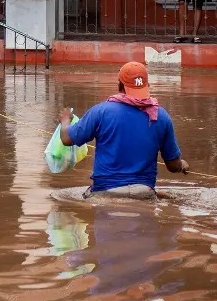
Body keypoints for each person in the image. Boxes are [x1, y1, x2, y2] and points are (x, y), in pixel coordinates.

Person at [57, 61, 189, 201]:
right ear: (147, 86)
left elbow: (66, 139)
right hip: (144, 193)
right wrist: (182, 165)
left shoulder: (101, 111)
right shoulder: (161, 116)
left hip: (106, 192)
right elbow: (173, 166)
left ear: (120, 85)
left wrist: (65, 120)